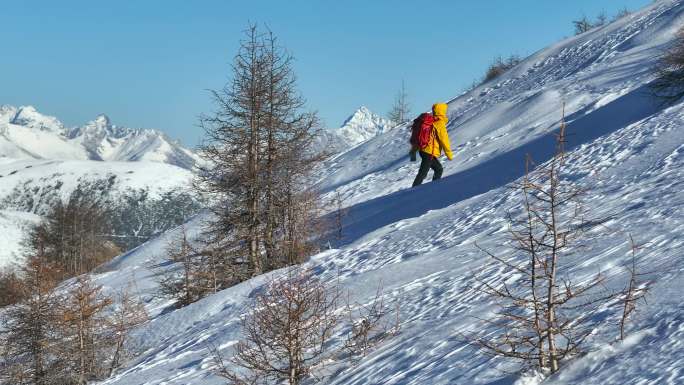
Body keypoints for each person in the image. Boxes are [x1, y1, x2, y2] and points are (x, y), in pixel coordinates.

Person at [410, 103, 453, 187]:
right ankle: (413, 190)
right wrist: (449, 155)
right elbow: (444, 140)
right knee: (423, 173)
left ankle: (433, 187)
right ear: (442, 111)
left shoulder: (432, 120)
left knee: (438, 169)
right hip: (429, 152)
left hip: (423, 150)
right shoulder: (439, 123)